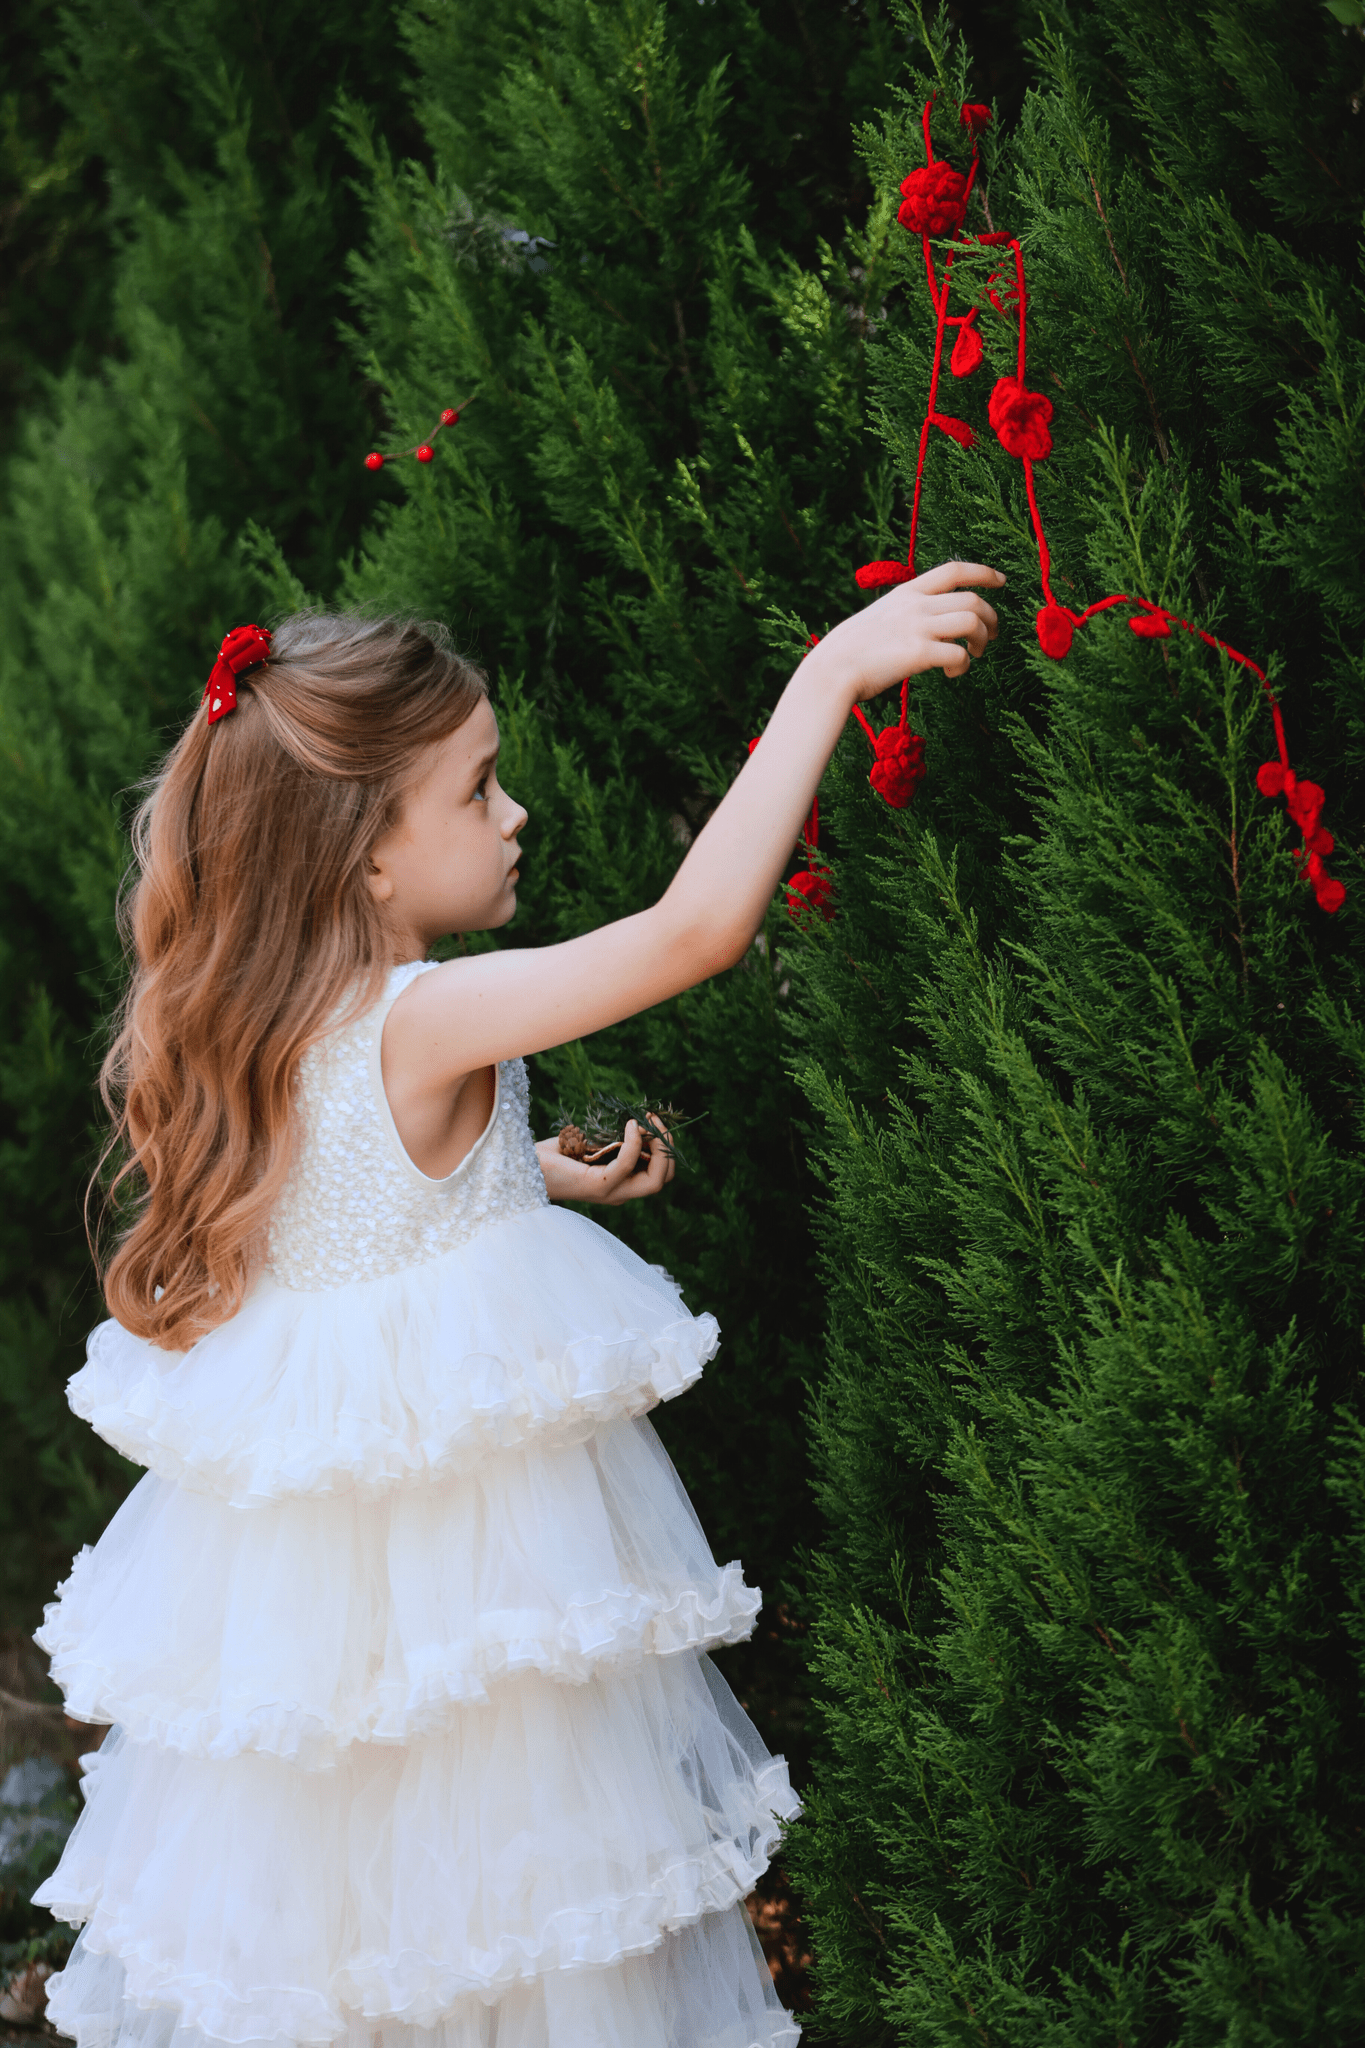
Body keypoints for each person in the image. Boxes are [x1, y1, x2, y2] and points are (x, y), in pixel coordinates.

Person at [33, 561, 1004, 2048]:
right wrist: (830, 677)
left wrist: (513, 1179)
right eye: (478, 791)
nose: (515, 816)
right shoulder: (425, 1014)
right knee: (529, 1939)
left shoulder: (276, 1024)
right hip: (479, 1618)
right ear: (366, 855)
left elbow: (346, 1224)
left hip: (326, 1645)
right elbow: (693, 935)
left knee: (373, 1956)